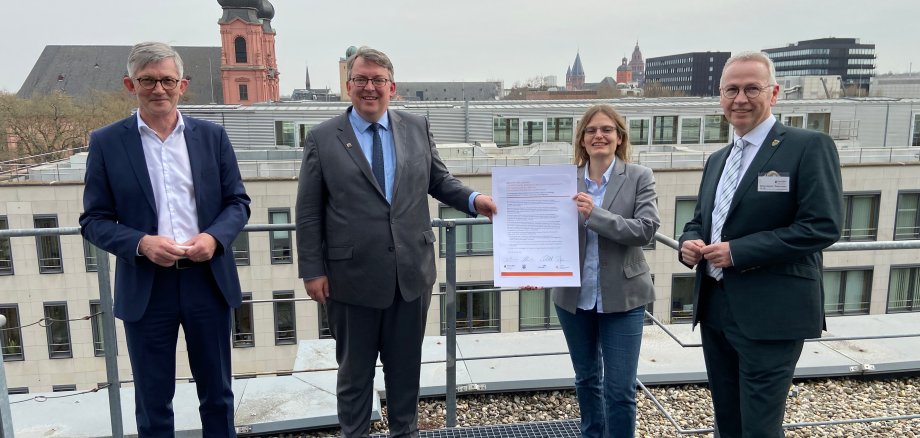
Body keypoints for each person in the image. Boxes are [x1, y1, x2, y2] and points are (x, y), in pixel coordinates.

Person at [295, 46, 497, 438]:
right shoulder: (322, 138)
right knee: (354, 376)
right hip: (350, 280)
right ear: (349, 85)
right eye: (361, 80)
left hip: (411, 277)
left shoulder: (416, 126)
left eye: (378, 80)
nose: (369, 87)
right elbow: (307, 211)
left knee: (406, 374)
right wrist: (311, 270)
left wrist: (475, 200)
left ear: (392, 87)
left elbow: (439, 181)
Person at [80, 41, 251, 436]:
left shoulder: (212, 136)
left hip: (207, 280)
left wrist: (214, 237)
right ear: (130, 84)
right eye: (148, 81)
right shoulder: (107, 142)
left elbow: (238, 203)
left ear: (182, 85)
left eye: (167, 80)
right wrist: (141, 243)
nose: (159, 89)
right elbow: (93, 220)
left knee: (218, 396)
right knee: (153, 400)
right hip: (147, 285)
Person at [678, 51, 843, 437]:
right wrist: (689, 242)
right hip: (715, 306)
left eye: (752, 88)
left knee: (760, 427)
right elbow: (701, 220)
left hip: (772, 312)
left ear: (774, 93)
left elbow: (823, 226)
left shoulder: (807, 146)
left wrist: (737, 252)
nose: (740, 99)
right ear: (720, 96)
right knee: (728, 419)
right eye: (731, 89)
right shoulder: (717, 159)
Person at [549, 104, 659, 438]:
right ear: (582, 140)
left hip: (624, 298)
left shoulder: (639, 176)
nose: (599, 135)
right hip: (573, 297)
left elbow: (646, 229)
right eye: (591, 130)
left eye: (607, 130)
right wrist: (534, 273)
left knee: (620, 389)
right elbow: (548, 234)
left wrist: (595, 214)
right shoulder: (563, 181)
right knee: (585, 379)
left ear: (619, 137)